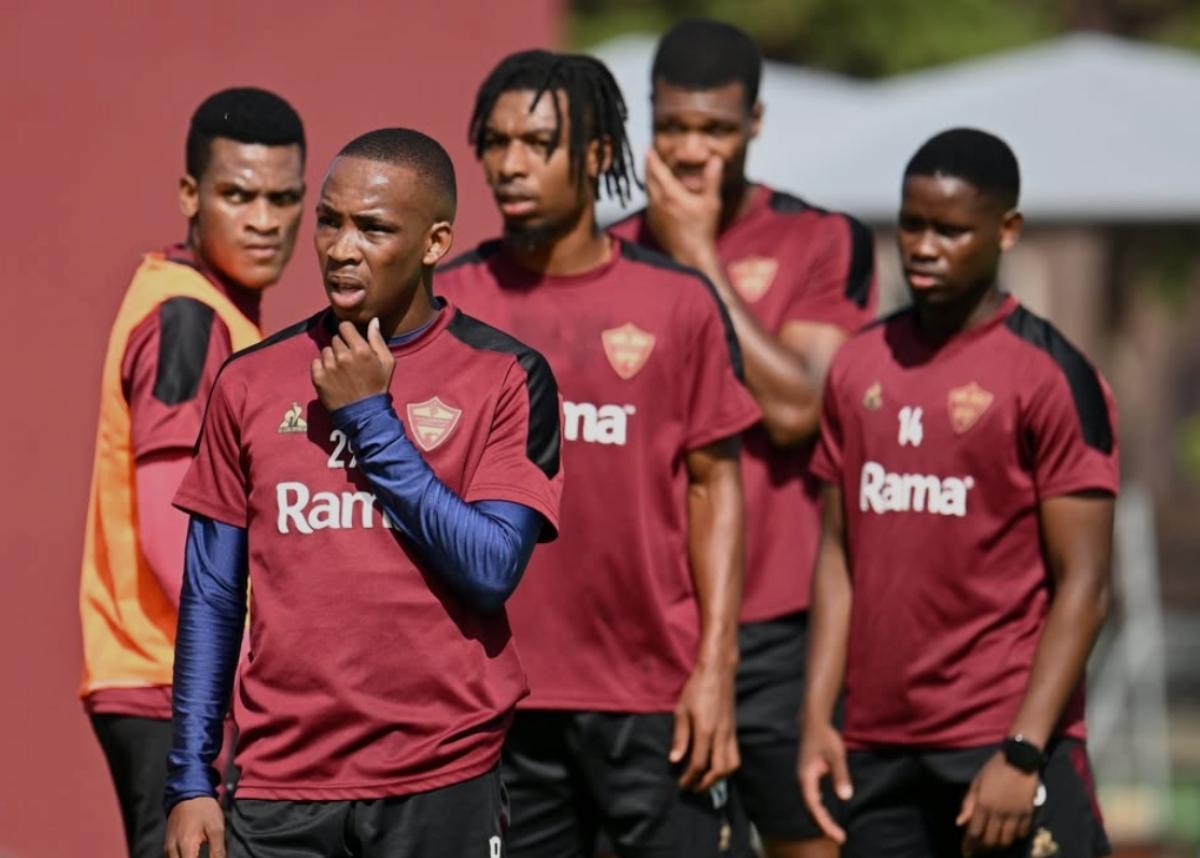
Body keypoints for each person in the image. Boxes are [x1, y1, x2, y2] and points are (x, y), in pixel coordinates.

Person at [162, 128, 563, 858]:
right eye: (330, 220)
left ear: (435, 241)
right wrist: (190, 779)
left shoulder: (506, 376)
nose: (342, 247)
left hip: (440, 778)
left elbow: (491, 567)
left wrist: (370, 421)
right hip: (278, 791)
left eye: (373, 228)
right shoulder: (248, 381)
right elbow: (213, 594)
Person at [437, 49, 760, 858]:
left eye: (537, 144)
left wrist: (715, 669)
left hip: (655, 701)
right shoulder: (445, 303)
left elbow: (716, 489)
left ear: (597, 155)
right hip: (495, 701)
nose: (510, 165)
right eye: (496, 142)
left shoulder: (679, 303)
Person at [799, 128, 1116, 858]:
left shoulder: (1051, 376)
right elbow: (839, 558)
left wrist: (1023, 752)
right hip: (878, 750)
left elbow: (1086, 588)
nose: (924, 246)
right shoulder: (857, 366)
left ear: (1006, 231)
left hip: (1001, 742)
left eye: (951, 230)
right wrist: (818, 718)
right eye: (912, 224)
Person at [609, 19, 876, 858]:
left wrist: (696, 262)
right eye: (675, 126)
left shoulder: (820, 240)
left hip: (781, 635)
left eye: (716, 129)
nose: (692, 151)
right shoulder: (606, 253)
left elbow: (800, 408)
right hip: (650, 632)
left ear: (755, 123)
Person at [78, 86, 305, 858]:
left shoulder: (211, 308)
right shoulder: (187, 318)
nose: (265, 219)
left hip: (173, 684)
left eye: (283, 197)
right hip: (172, 689)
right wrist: (272, 674)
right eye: (238, 195)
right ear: (190, 195)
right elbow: (175, 533)